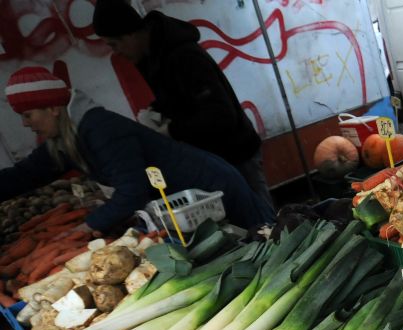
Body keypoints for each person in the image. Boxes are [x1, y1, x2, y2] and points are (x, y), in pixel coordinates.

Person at [0, 66, 274, 234]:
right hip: (184, 201)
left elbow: (133, 189)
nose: (25, 124)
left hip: (208, 187)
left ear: (53, 108)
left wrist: (89, 226)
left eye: (28, 115)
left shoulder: (99, 128)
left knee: (263, 237)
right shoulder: (63, 140)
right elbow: (26, 174)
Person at [92, 0, 275, 209]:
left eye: (115, 44)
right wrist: (157, 110)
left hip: (235, 151)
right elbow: (180, 97)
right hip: (212, 156)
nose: (117, 53)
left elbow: (220, 114)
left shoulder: (183, 56)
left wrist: (171, 130)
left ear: (131, 34)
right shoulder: (151, 56)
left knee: (263, 219)